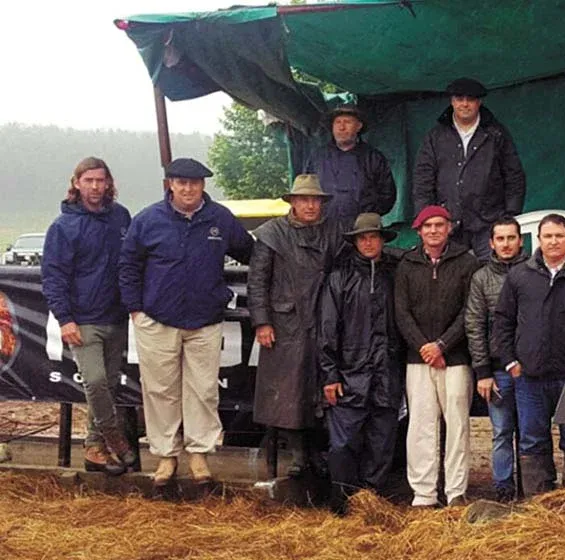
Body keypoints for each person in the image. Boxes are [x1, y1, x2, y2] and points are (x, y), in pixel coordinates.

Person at [119, 158, 254, 486]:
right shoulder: (148, 220)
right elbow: (128, 264)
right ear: (170, 184)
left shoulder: (219, 217)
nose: (188, 188)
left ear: (203, 185)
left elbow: (251, 252)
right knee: (160, 390)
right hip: (157, 320)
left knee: (204, 391)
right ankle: (165, 457)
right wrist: (135, 308)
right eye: (181, 182)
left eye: (194, 183)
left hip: (205, 321)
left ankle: (199, 455)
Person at [492, 214, 565, 497]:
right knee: (532, 441)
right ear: (539, 240)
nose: (553, 241)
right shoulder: (520, 275)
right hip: (529, 377)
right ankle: (539, 506)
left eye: (559, 235)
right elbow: (503, 320)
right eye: (548, 236)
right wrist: (510, 361)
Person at [41, 157, 137, 475]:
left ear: (109, 183)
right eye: (89, 180)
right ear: (77, 183)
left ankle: (95, 449)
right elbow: (53, 277)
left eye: (101, 180)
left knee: (109, 383)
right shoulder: (63, 226)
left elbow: (133, 262)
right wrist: (65, 319)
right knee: (94, 382)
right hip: (82, 319)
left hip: (117, 316)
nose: (96, 186)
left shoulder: (121, 217)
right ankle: (114, 439)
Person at [248, 174, 341, 477]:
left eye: (315, 200)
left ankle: (317, 453)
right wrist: (262, 322)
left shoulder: (334, 231)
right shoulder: (271, 234)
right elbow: (258, 281)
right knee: (288, 392)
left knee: (319, 386)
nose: (310, 205)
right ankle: (299, 455)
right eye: (304, 200)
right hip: (285, 324)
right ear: (293, 202)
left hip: (323, 319)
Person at [318, 213, 404, 515]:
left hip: (387, 375)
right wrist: (330, 374)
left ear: (382, 240)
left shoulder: (395, 275)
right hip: (348, 375)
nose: (368, 242)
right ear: (355, 241)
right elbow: (327, 329)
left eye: (374, 236)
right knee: (343, 444)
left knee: (381, 443)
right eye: (362, 237)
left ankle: (372, 504)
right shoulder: (339, 278)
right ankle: (342, 505)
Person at [394, 205, 480, 506]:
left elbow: (469, 311)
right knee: (420, 425)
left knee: (457, 425)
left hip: (455, 359)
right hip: (418, 358)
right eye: (427, 225)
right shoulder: (407, 264)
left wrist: (442, 346)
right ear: (418, 231)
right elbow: (401, 313)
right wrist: (426, 349)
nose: (433, 230)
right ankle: (424, 493)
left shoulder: (466, 262)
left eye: (439, 225)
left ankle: (456, 491)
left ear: (449, 228)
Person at [412, 78, 526, 261]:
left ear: (479, 102)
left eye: (470, 99)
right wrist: (426, 218)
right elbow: (422, 180)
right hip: (448, 223)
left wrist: (510, 216)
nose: (464, 104)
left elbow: (514, 177)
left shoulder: (496, 134)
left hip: (489, 223)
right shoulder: (435, 136)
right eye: (459, 99)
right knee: (450, 280)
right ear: (452, 101)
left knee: (495, 276)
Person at [464, 217, 529, 502]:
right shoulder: (481, 278)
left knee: (529, 432)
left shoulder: (534, 272)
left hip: (530, 368)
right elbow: (474, 325)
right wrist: (482, 372)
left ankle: (530, 489)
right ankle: (503, 488)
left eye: (511, 238)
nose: (506, 244)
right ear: (491, 243)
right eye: (500, 239)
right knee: (501, 432)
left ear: (521, 240)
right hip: (497, 369)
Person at [306, 103, 397, 230]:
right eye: (337, 122)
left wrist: (367, 215)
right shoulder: (318, 157)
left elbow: (387, 195)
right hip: (323, 228)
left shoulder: (373, 157)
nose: (342, 127)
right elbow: (306, 191)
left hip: (361, 230)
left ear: (359, 126)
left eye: (347, 122)